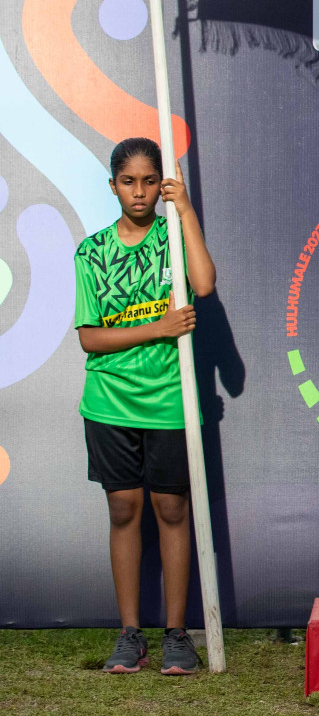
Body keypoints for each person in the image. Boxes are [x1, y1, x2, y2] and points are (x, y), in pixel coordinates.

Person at [75, 138, 215, 674]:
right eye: (129, 182)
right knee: (124, 510)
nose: (140, 192)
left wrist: (185, 209)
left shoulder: (174, 237)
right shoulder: (91, 252)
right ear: (113, 186)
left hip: (170, 402)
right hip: (109, 402)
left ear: (162, 184)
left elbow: (203, 283)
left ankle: (177, 635)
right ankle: (129, 633)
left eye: (149, 181)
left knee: (172, 509)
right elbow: (90, 338)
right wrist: (155, 327)